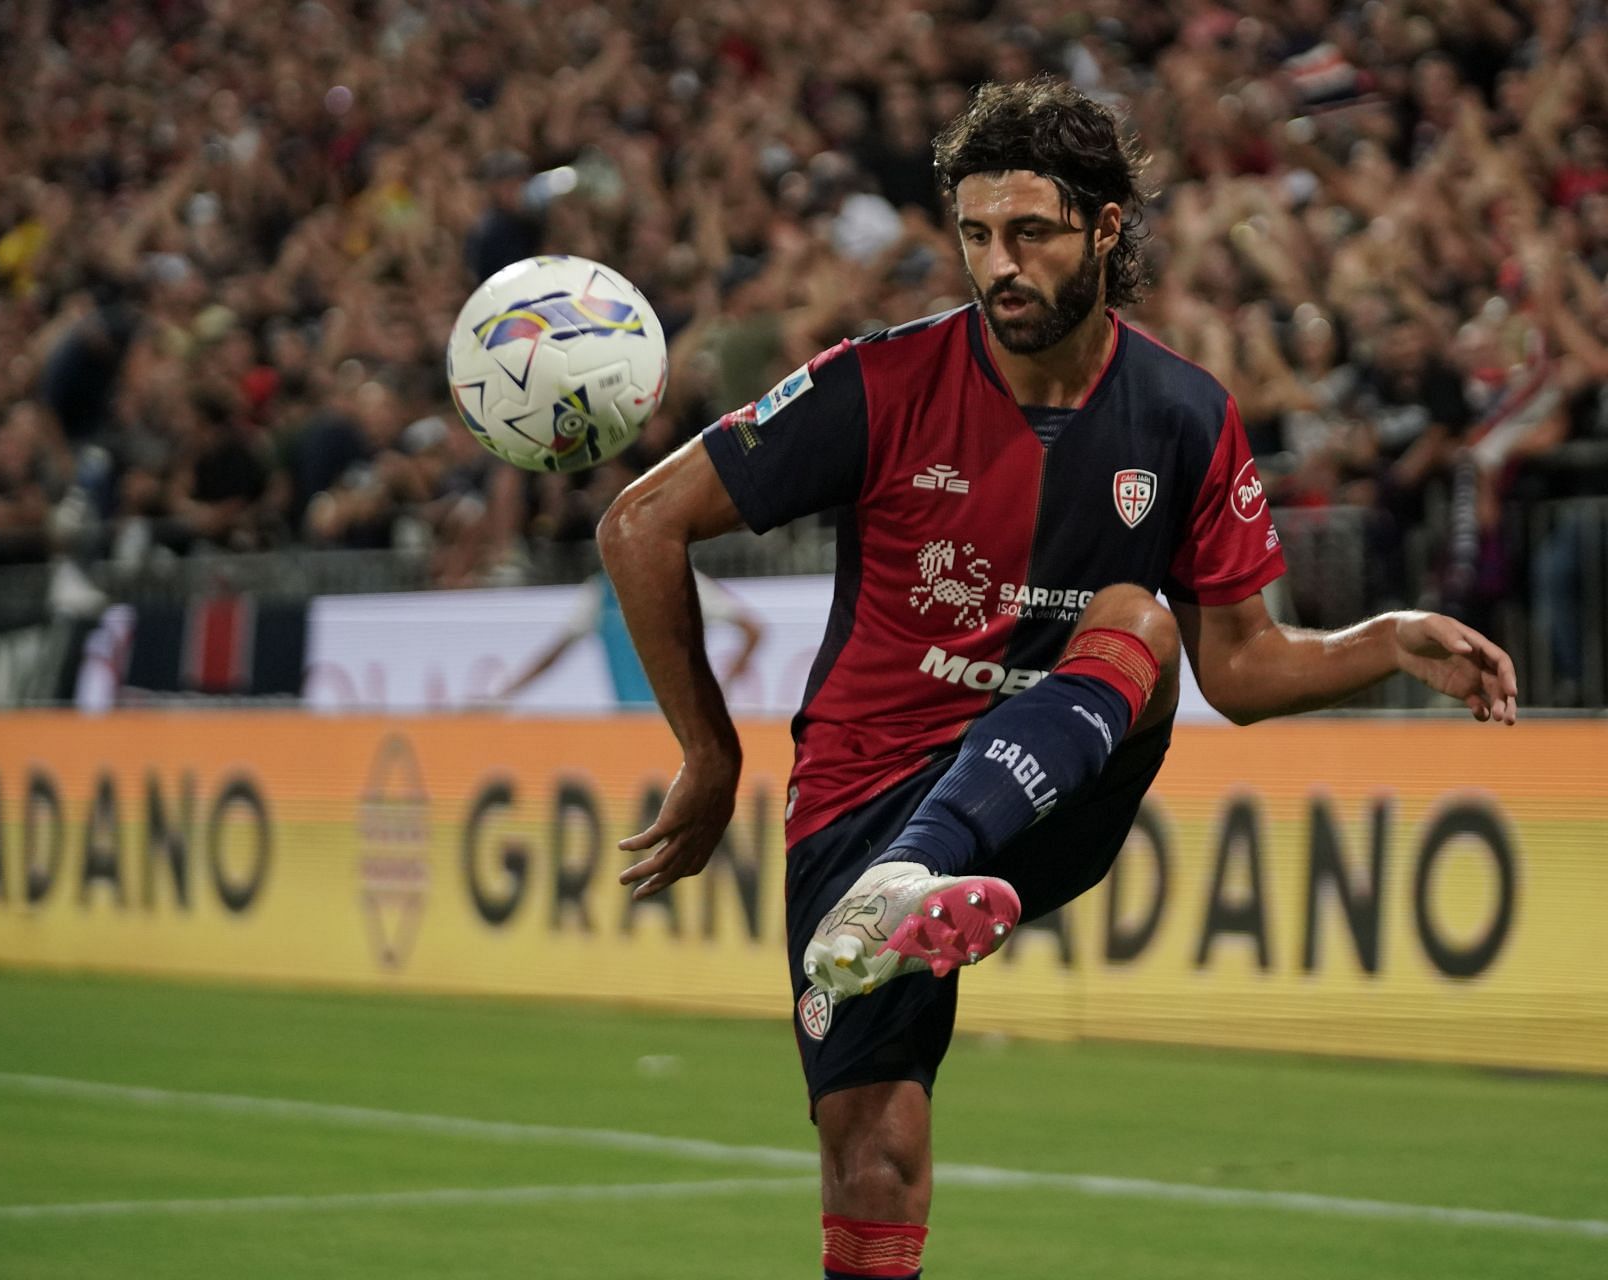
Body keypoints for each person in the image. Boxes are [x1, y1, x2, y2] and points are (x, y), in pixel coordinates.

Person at [594, 78, 1517, 1280]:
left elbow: (1236, 668)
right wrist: (710, 755)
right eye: (976, 235)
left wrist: (1387, 636)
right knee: (874, 1153)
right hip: (861, 788)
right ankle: (904, 890)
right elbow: (639, 524)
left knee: (1139, 616)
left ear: (1107, 228)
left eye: (1029, 232)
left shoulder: (1183, 415)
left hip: (1055, 781)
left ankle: (921, 875)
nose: (998, 264)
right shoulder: (878, 382)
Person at [496, 569, 763, 709]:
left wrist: (724, 682)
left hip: (686, 722)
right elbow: (555, 653)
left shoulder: (682, 580)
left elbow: (753, 629)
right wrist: (507, 693)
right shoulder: (601, 591)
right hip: (631, 722)